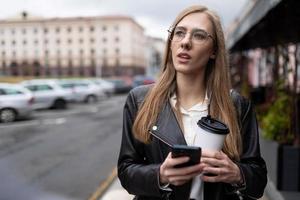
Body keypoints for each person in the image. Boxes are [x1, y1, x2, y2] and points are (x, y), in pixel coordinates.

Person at [118, 5, 267, 200]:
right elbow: (126, 171)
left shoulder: (237, 105)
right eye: (179, 33)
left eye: (199, 36)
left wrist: (237, 173)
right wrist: (160, 174)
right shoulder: (139, 100)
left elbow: (258, 181)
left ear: (214, 51)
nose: (185, 42)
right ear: (171, 42)